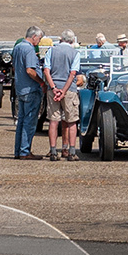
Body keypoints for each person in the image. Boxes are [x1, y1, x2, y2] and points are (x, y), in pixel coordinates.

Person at [44, 30, 83, 160]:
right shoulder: (75, 53)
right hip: (69, 89)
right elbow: (73, 74)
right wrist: (64, 91)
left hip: (53, 88)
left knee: (53, 121)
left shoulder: (51, 50)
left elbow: (46, 70)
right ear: (72, 40)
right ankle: (71, 151)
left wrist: (54, 88)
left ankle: (53, 151)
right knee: (71, 121)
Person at [11, 26, 44, 160]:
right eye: (39, 38)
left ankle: (18, 150)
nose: (39, 41)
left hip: (20, 88)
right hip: (30, 89)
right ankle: (25, 151)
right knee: (29, 122)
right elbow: (30, 70)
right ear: (34, 36)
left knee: (21, 121)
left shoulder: (18, 47)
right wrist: (41, 82)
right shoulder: (29, 49)